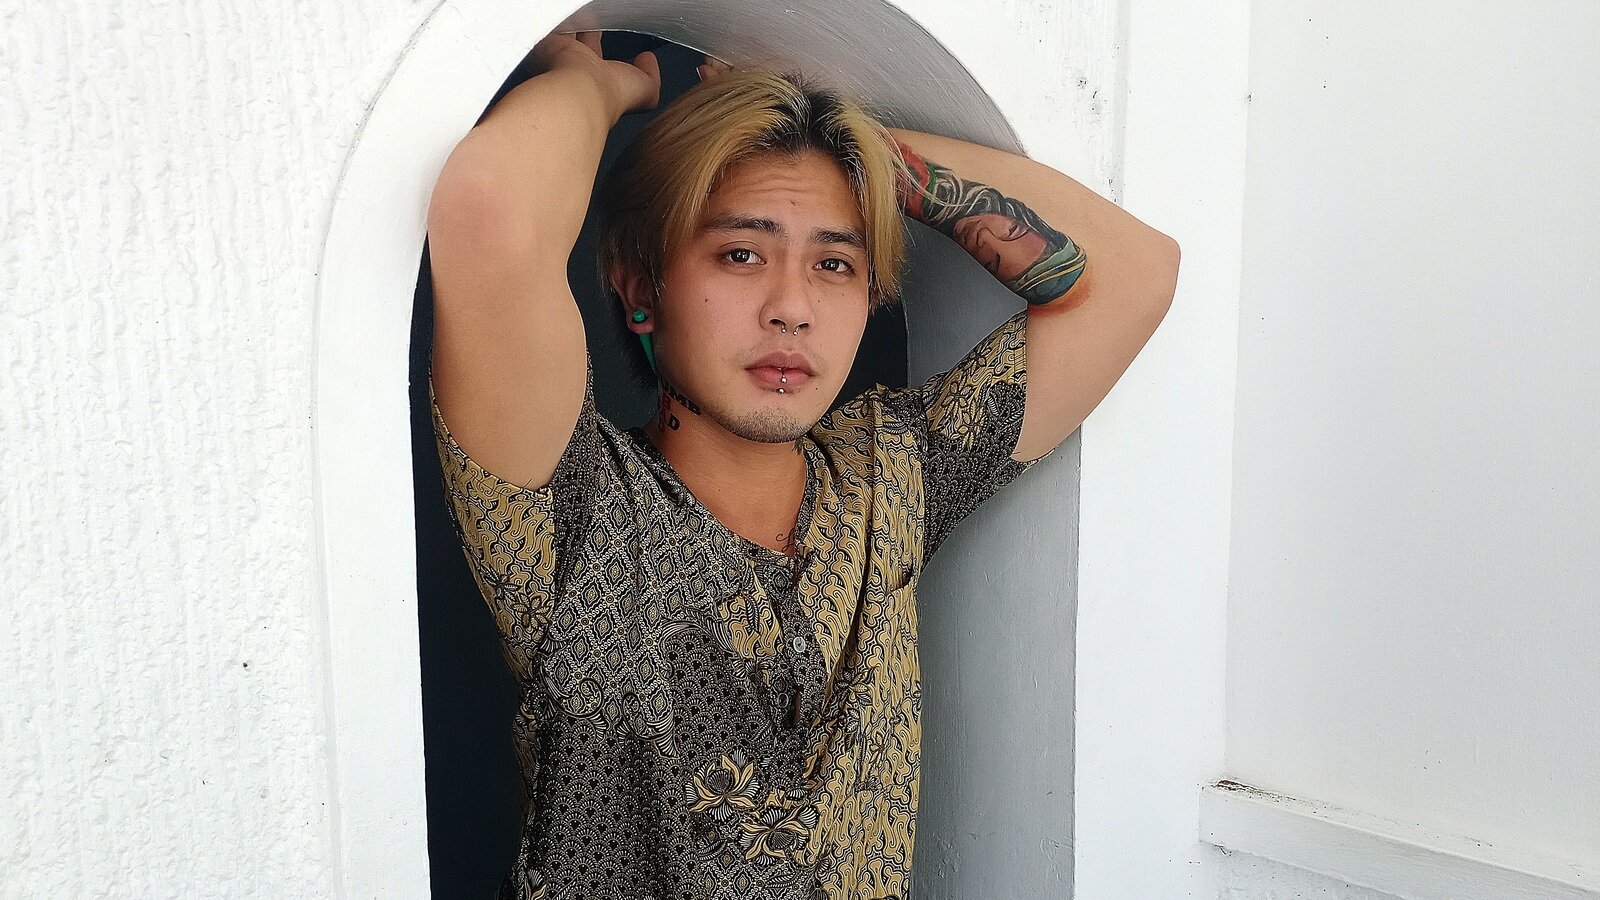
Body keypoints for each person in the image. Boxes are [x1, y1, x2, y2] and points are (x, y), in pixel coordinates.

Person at [425, 29, 1179, 900]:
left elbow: (1134, 275)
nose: (792, 307)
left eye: (834, 262)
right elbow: (489, 210)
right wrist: (597, 84)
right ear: (640, 290)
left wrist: (854, 154)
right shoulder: (574, 511)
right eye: (741, 254)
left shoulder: (889, 477)